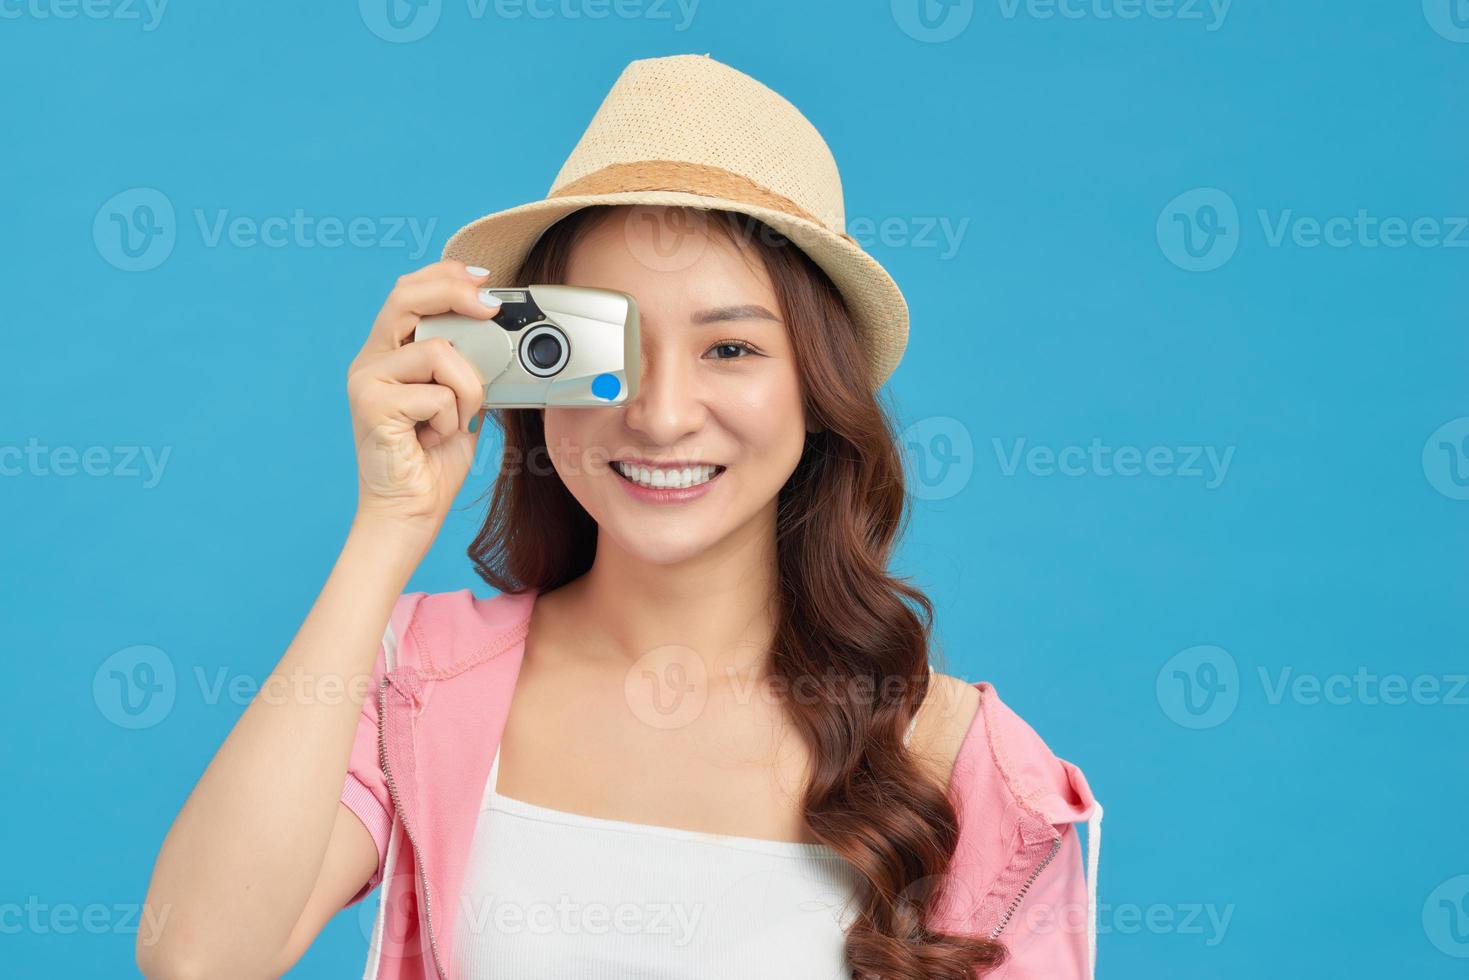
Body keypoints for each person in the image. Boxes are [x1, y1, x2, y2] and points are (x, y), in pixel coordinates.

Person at [138, 54, 1101, 980]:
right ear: (528, 373)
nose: (661, 412)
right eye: (609, 348)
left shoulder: (966, 761)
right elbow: (199, 956)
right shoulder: (422, 681)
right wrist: (386, 527)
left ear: (817, 389)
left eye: (730, 349)